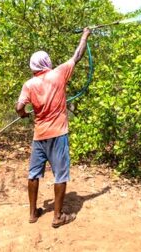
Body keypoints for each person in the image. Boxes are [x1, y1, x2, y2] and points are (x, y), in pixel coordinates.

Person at [16, 27, 91, 228]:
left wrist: (23, 114)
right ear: (47, 62)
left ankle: (33, 213)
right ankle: (57, 217)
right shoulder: (58, 74)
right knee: (61, 175)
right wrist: (85, 35)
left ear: (33, 66)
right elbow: (77, 55)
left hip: (39, 135)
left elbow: (19, 107)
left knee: (33, 174)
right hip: (58, 134)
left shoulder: (28, 84)